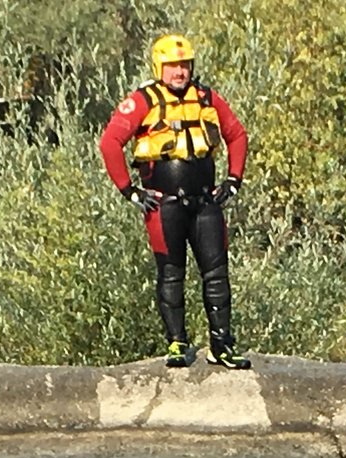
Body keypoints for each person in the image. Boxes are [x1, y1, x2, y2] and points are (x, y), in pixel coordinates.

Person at [99, 32, 251, 370]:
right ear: (159, 67)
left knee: (216, 274)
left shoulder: (207, 98)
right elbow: (110, 142)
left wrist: (233, 179)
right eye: (172, 66)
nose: (179, 72)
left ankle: (222, 344)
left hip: (205, 202)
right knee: (171, 274)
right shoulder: (142, 101)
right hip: (163, 204)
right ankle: (176, 343)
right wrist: (129, 190)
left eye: (184, 65)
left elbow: (237, 134)